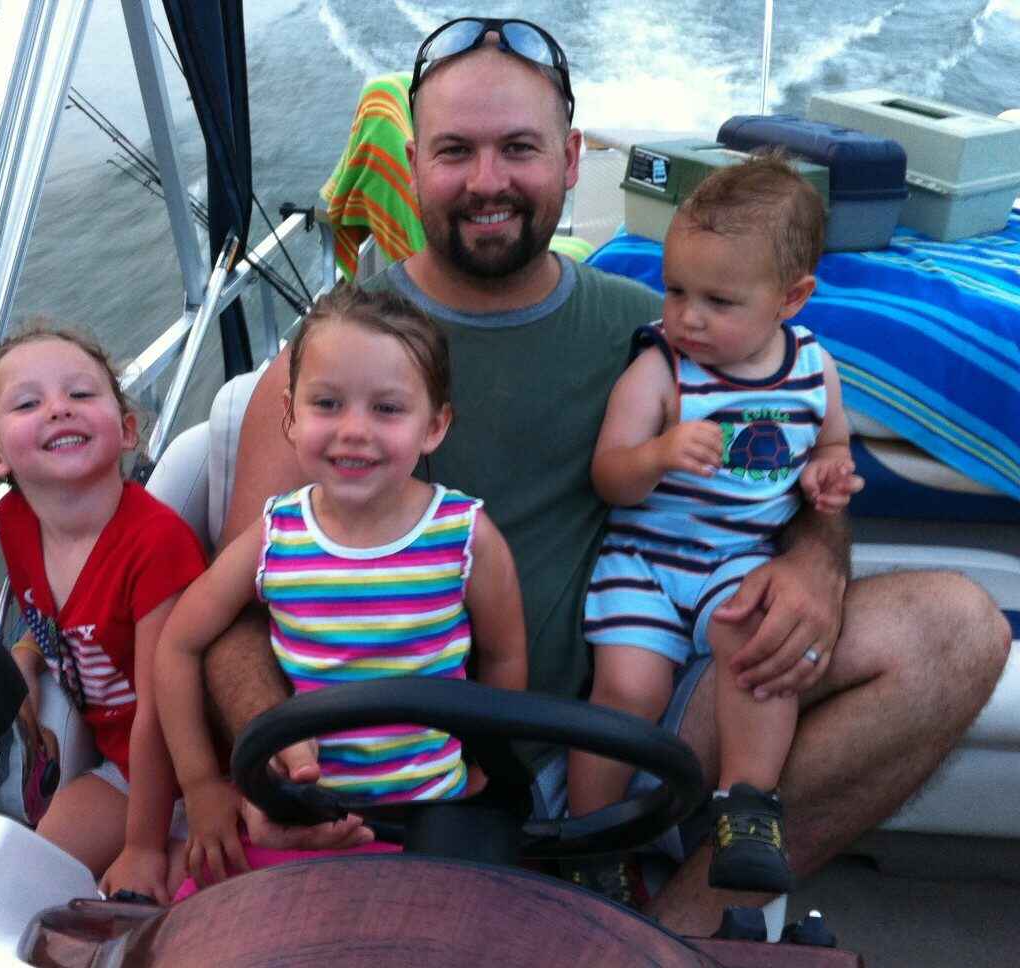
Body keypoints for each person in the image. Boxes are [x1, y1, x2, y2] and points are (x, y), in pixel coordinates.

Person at [203, 17, 1011, 935]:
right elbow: (236, 606)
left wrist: (816, 562)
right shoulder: (329, 361)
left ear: (573, 157)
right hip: (396, 754)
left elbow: (781, 463)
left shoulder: (659, 329)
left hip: (643, 709)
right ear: (415, 162)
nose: (488, 182)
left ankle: (667, 926)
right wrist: (267, 761)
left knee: (955, 631)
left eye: (519, 148)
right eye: (455, 151)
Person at [155, 285, 527, 887]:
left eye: (387, 409)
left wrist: (491, 763)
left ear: (434, 426)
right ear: (289, 417)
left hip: (432, 817)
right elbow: (178, 643)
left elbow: (506, 654)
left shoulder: (467, 537)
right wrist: (200, 784)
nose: (354, 430)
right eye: (328, 404)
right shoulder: (274, 535)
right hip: (304, 816)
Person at [571, 156, 856, 896]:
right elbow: (610, 475)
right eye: (674, 291)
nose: (687, 316)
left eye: (718, 301)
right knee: (628, 688)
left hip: (741, 557)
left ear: (791, 299)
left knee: (759, 647)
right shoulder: (662, 369)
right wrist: (660, 452)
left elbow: (829, 445)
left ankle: (747, 805)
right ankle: (586, 838)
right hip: (645, 561)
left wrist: (827, 477)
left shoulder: (812, 368)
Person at [0, 325, 207, 905]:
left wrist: (145, 848)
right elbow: (50, 614)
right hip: (123, 769)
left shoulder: (156, 544)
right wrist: (27, 654)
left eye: (80, 395)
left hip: (199, 766)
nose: (58, 410)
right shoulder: (17, 524)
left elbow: (162, 707)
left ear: (127, 429)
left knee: (165, 904)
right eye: (28, 403)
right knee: (27, 887)